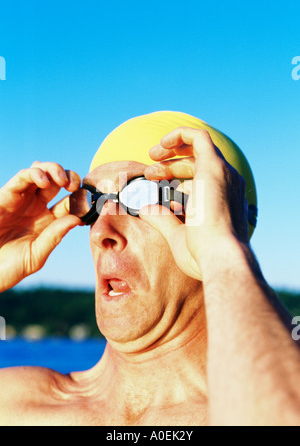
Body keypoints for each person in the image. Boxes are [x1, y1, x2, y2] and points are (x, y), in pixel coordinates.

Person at [0, 111, 299, 426]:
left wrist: (222, 253)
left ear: (217, 222)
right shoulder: (16, 403)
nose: (102, 232)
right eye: (92, 203)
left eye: (142, 197)